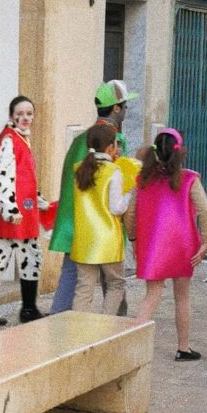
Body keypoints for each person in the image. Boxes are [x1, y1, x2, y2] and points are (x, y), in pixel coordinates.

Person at [49, 79, 139, 314]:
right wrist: (133, 234)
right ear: (116, 108)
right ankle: (111, 332)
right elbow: (120, 191)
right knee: (115, 284)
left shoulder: (83, 140)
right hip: (104, 230)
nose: (127, 111)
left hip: (75, 226)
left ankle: (58, 332)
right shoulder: (115, 142)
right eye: (126, 106)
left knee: (75, 281)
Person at [124, 128, 207, 361]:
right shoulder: (189, 179)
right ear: (179, 152)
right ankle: (183, 348)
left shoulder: (143, 180)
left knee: (152, 295)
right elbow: (205, 210)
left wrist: (133, 239)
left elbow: (130, 214)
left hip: (153, 247)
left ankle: (131, 348)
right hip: (184, 245)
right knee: (182, 296)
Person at [0, 95, 56, 326]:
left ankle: (25, 308)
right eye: (20, 114)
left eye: (29, 114)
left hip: (22, 211)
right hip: (13, 214)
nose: (25, 118)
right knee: (0, 256)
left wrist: (38, 200)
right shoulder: (9, 140)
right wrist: (9, 208)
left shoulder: (20, 139)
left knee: (28, 256)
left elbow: (23, 178)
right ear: (12, 116)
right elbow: (3, 175)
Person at [70, 122, 133, 314]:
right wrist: (131, 193)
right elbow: (116, 208)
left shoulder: (79, 168)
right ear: (109, 148)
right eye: (116, 144)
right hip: (107, 239)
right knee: (116, 284)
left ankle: (77, 331)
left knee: (84, 288)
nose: (119, 149)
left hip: (83, 239)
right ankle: (105, 327)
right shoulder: (113, 172)